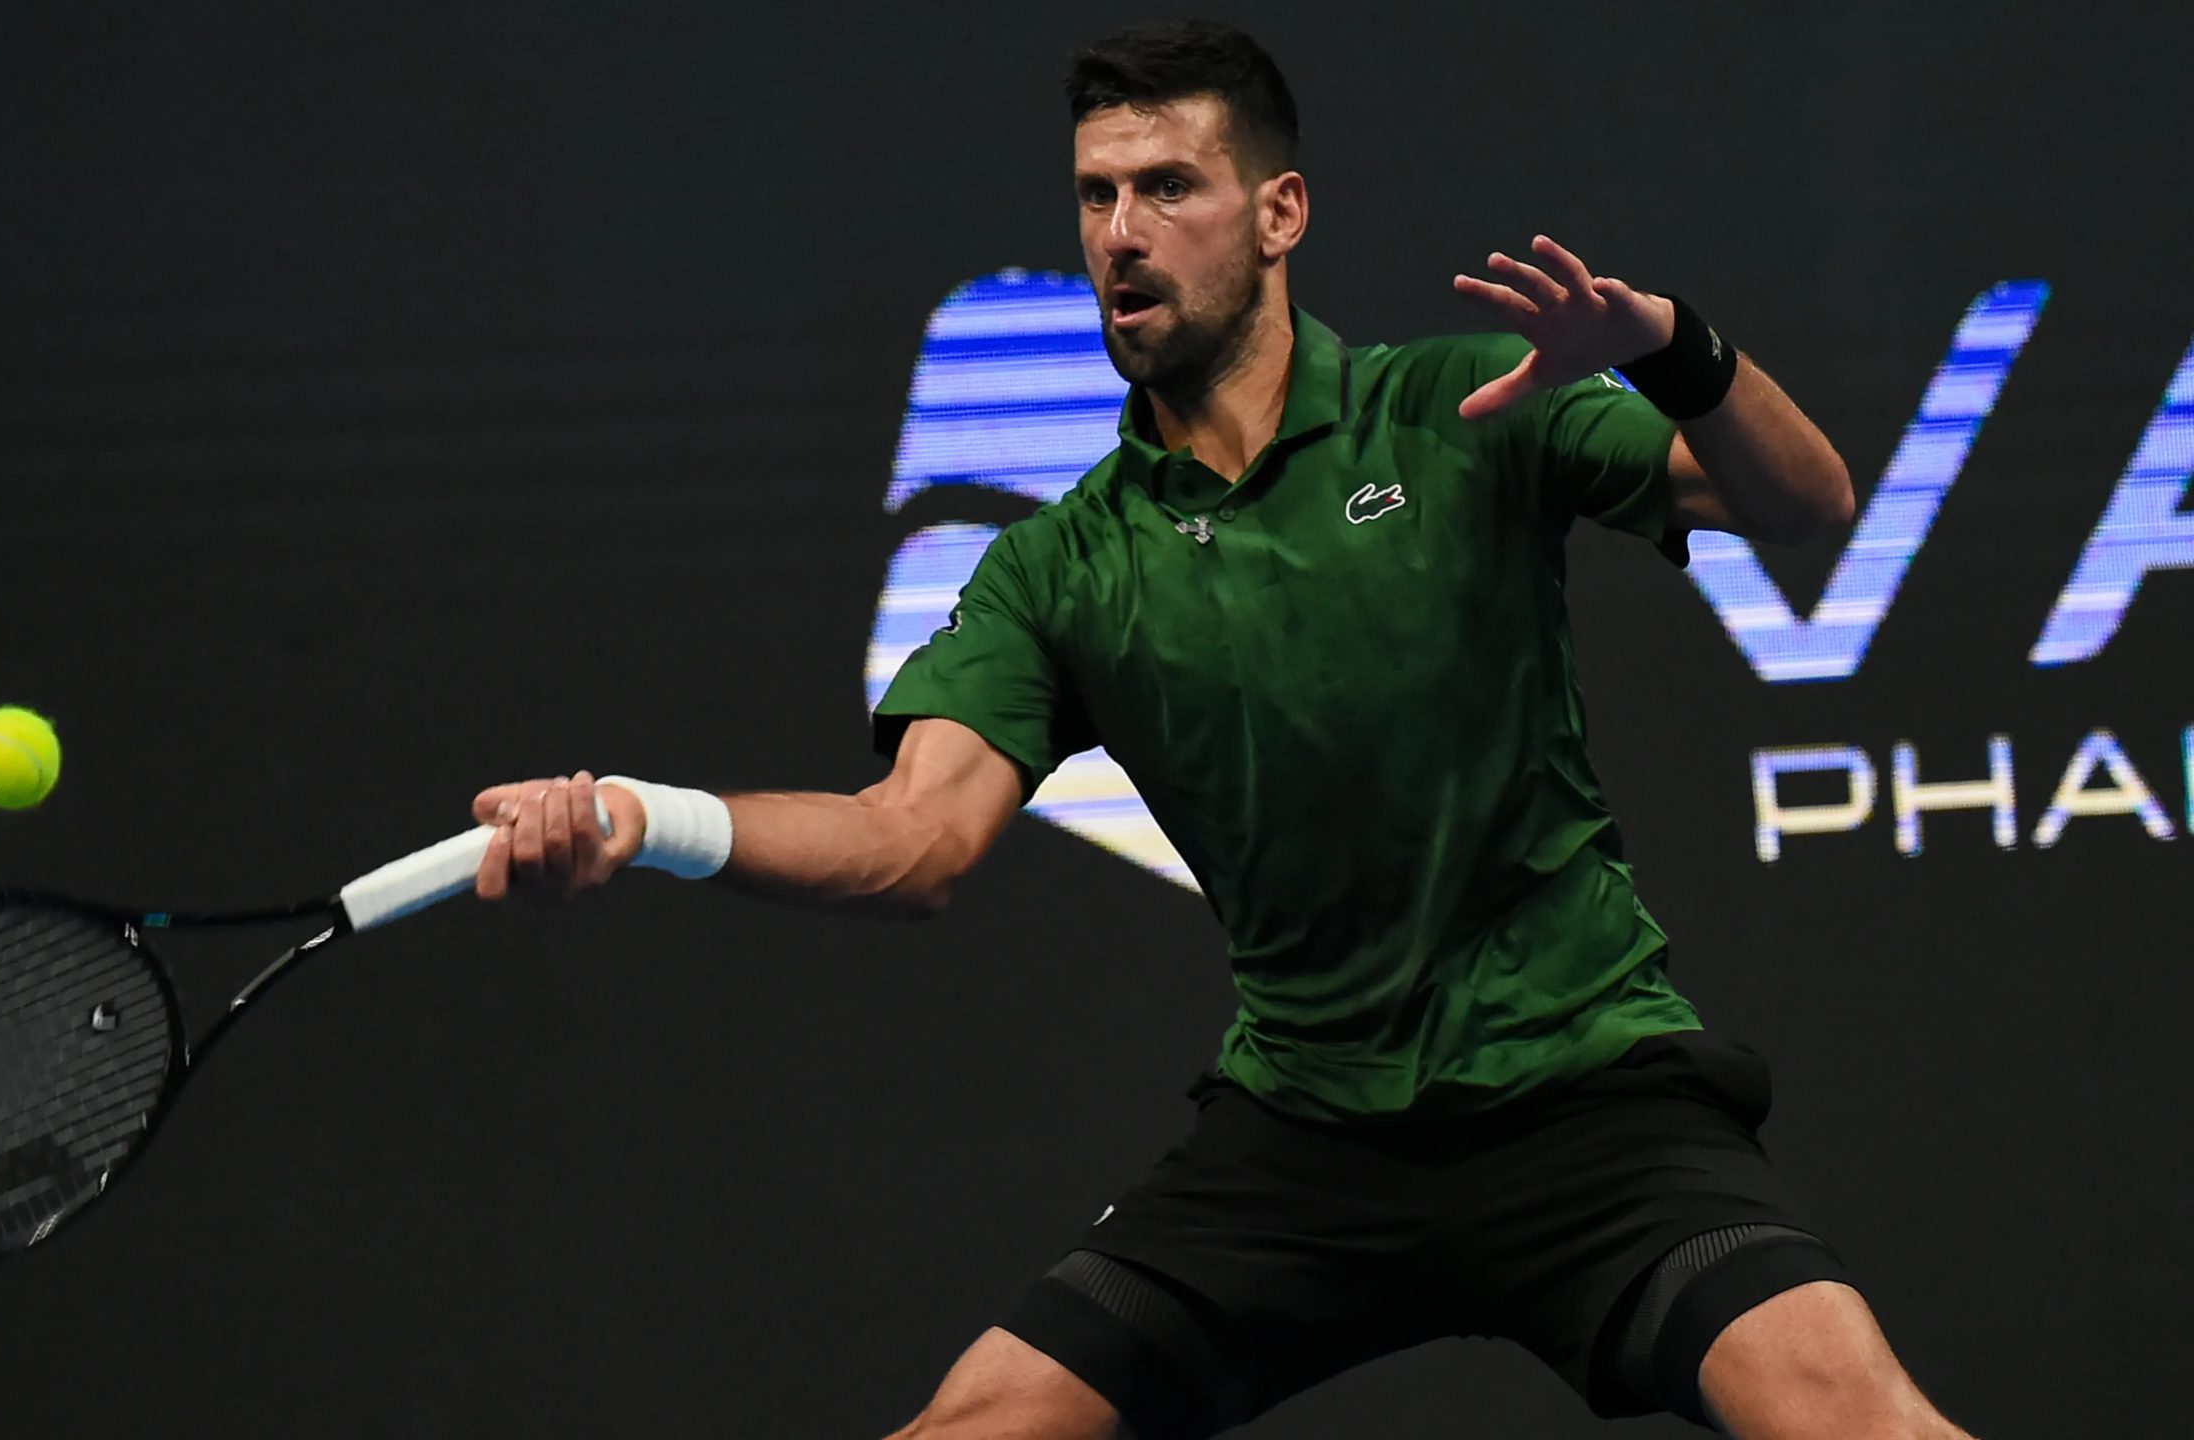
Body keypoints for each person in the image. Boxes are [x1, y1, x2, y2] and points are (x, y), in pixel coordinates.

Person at [466, 19, 1976, 1440]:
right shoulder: (1060, 566)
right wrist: (641, 818)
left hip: (1586, 1102)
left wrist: (1672, 345)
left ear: (1278, 214)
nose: (1121, 232)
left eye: (1168, 187)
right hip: (1303, 1142)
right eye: (1096, 195)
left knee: (1859, 1418)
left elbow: (1810, 502)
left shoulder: (1461, 410)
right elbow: (909, 842)